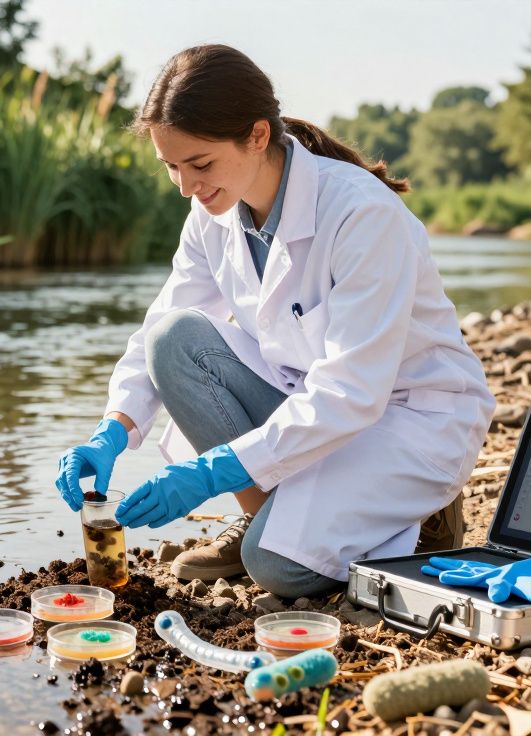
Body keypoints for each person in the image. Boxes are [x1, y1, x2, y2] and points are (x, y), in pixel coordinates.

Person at [54, 45, 495, 599]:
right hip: (310, 400)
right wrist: (113, 428)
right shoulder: (213, 211)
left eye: (200, 164)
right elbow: (160, 327)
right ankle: (267, 515)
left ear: (257, 136)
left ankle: (425, 517)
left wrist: (212, 471)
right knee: (176, 341)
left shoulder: (362, 214)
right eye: (171, 167)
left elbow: (352, 392)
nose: (187, 186)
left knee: (277, 569)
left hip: (410, 419)